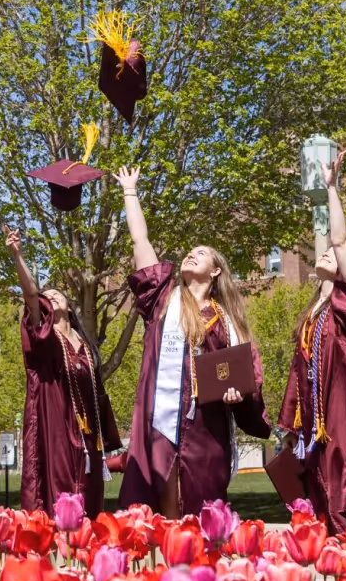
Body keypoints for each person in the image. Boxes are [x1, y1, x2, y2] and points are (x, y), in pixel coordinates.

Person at [114, 166, 271, 517]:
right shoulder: (163, 299)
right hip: (161, 423)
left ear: (215, 270)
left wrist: (239, 394)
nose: (191, 254)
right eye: (190, 252)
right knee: (161, 510)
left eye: (201, 253)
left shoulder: (229, 323)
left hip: (207, 429)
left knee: (201, 514)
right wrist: (130, 192)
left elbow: (246, 377)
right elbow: (141, 243)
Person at [279, 149, 346, 532]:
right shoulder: (315, 312)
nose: (326, 252)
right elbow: (298, 372)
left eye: (335, 254)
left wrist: (331, 189)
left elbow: (340, 242)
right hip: (316, 432)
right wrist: (291, 430)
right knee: (320, 505)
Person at [6, 227, 122, 519]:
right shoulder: (45, 340)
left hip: (89, 434)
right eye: (48, 297)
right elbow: (31, 296)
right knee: (63, 495)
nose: (51, 298)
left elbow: (97, 394)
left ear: (70, 308)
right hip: (58, 428)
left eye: (57, 294)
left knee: (92, 499)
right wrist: (17, 255)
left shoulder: (85, 344)